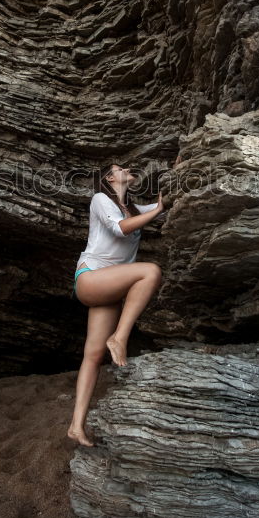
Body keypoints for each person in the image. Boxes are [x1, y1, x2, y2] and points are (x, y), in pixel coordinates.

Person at [67, 161, 167, 447]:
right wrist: (158, 210)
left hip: (109, 286)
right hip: (92, 278)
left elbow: (165, 203)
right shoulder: (100, 199)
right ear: (110, 178)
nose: (127, 169)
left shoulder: (133, 209)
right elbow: (120, 229)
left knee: (93, 355)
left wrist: (179, 170)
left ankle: (76, 426)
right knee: (150, 271)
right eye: (121, 168)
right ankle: (120, 337)